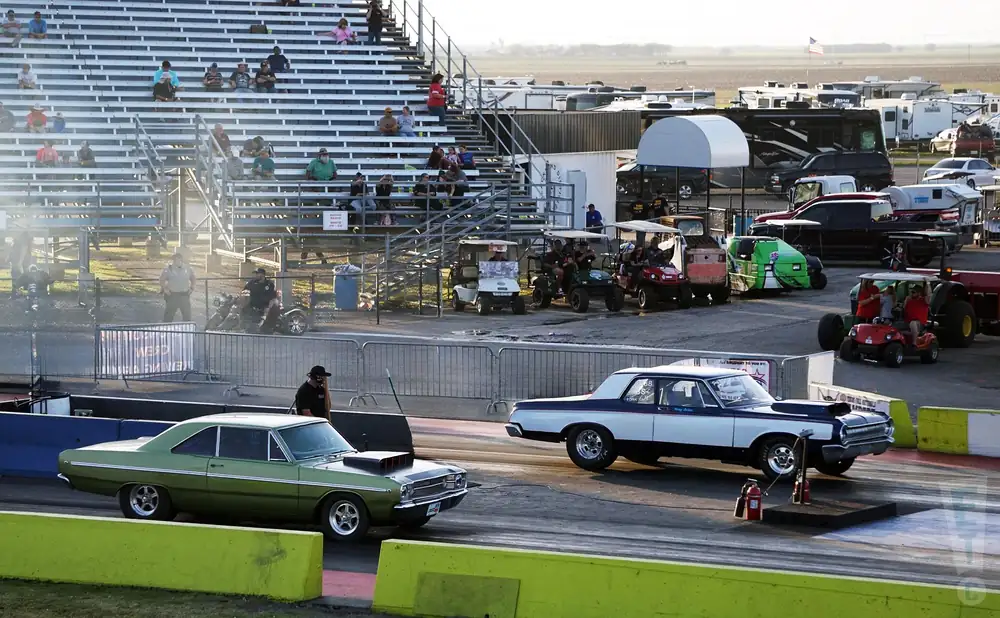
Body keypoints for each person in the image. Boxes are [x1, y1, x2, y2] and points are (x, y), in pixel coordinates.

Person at [159, 252, 196, 322]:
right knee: (168, 317)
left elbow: (193, 278)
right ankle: (167, 328)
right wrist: (165, 289)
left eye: (178, 259)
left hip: (184, 295)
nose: (176, 261)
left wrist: (192, 287)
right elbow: (162, 279)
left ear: (181, 260)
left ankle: (186, 328)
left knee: (187, 317)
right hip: (173, 295)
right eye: (174, 260)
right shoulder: (168, 269)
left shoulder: (187, 268)